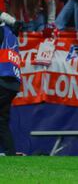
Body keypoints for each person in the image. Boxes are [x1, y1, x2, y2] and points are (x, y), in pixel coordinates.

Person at [0, 11, 21, 156]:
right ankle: (10, 152)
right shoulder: (11, 34)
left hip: (3, 79)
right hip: (12, 84)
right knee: (2, 121)